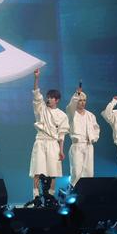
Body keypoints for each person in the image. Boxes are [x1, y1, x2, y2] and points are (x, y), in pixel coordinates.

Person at [29, 68, 69, 198]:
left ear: (57, 100)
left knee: (53, 172)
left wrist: (61, 150)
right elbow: (36, 95)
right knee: (37, 170)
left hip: (53, 144)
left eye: (52, 98)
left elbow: (61, 135)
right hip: (41, 141)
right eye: (48, 97)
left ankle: (50, 197)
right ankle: (35, 197)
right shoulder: (41, 109)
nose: (49, 99)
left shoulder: (62, 115)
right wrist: (36, 78)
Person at [65, 82, 100, 187]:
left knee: (89, 172)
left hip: (89, 145)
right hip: (77, 145)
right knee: (76, 172)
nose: (82, 102)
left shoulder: (90, 115)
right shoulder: (71, 113)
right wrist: (77, 94)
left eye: (84, 100)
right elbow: (70, 106)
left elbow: (96, 128)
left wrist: (94, 138)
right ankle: (74, 192)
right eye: (80, 100)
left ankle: (87, 192)